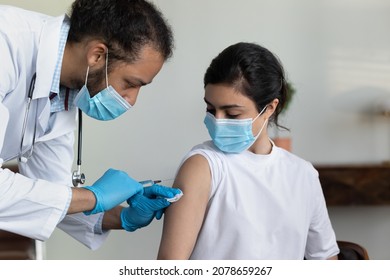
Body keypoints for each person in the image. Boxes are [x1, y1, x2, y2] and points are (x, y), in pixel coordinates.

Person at [0, 0, 181, 250]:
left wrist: (121, 215)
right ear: (97, 55)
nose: (131, 100)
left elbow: (52, 193)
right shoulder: (6, 42)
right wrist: (95, 196)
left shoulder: (63, 92)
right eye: (131, 83)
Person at [157, 42, 339, 260]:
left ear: (269, 108)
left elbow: (325, 259)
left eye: (232, 114)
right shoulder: (204, 165)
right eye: (210, 109)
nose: (218, 121)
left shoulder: (303, 174)